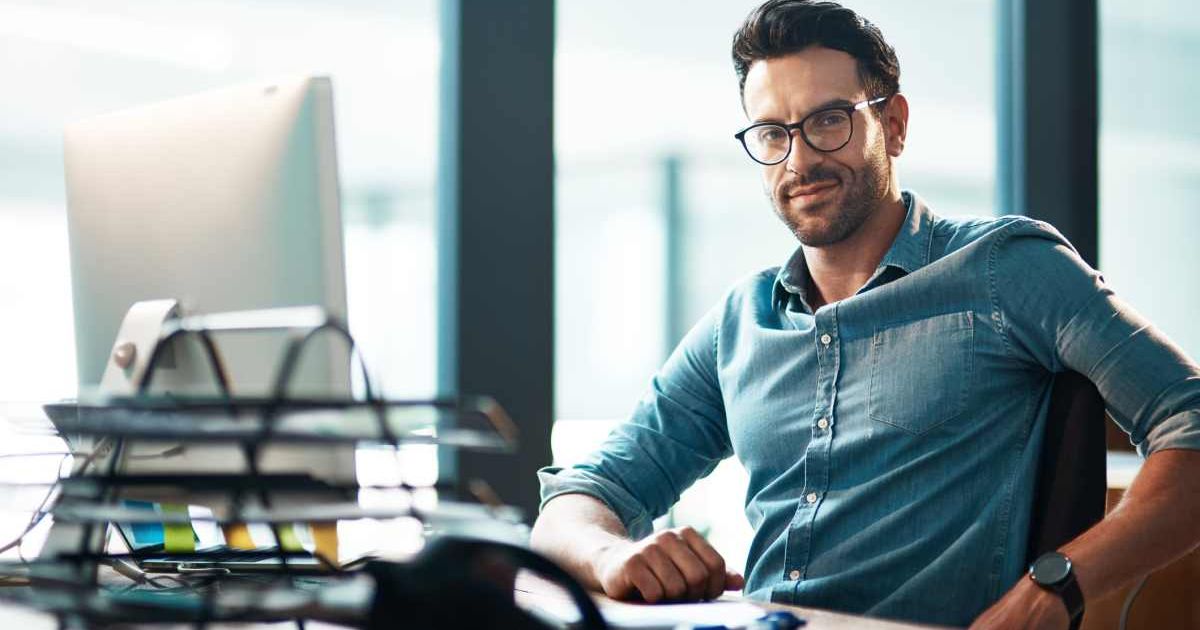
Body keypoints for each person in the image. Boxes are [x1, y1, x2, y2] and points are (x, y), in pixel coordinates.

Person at [530, 1, 1200, 627]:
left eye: (829, 120)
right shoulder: (740, 323)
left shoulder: (1006, 268)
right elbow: (575, 502)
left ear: (895, 124)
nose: (801, 159)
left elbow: (1191, 424)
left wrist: (1056, 585)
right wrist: (616, 557)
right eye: (773, 133)